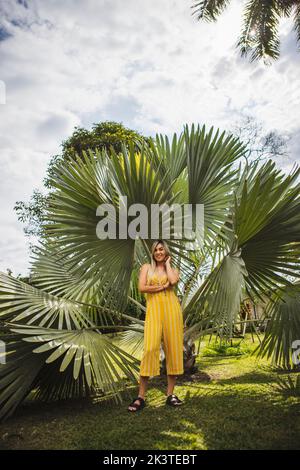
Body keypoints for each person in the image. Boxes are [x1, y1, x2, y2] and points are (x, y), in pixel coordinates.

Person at [127, 239, 184, 412]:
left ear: (166, 252)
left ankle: (170, 395)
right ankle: (141, 396)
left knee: (173, 350)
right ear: (152, 252)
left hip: (172, 311)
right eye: (156, 250)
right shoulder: (146, 267)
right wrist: (161, 287)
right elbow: (142, 287)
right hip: (154, 312)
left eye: (161, 249)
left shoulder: (173, 269)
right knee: (150, 349)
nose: (158, 252)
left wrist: (167, 264)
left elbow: (173, 282)